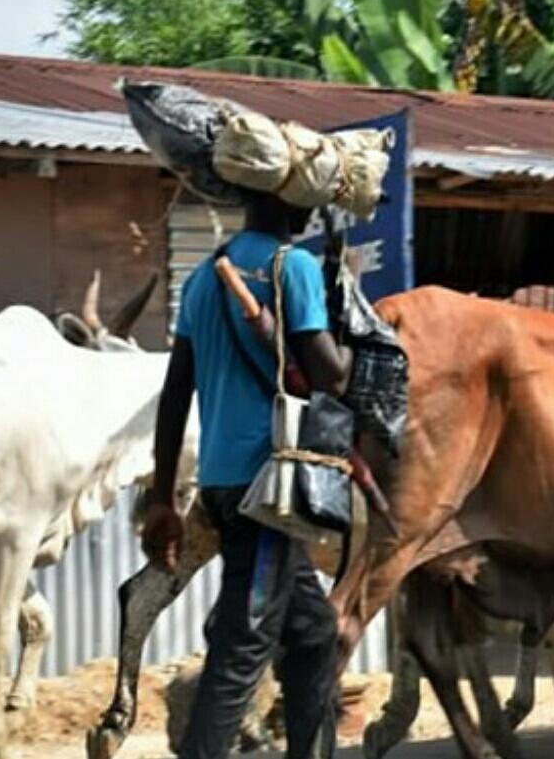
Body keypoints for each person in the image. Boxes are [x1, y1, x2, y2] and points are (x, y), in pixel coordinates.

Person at [142, 191, 352, 759]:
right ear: (290, 199)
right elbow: (331, 376)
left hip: (222, 486)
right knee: (243, 648)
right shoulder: (293, 267)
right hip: (268, 496)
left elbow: (175, 393)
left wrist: (163, 498)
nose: (313, 209)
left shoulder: (206, 277)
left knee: (314, 634)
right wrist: (357, 341)